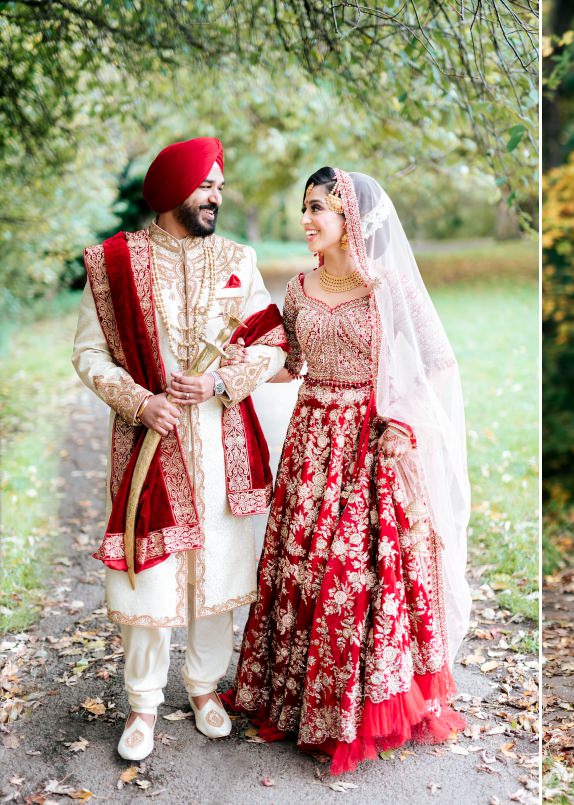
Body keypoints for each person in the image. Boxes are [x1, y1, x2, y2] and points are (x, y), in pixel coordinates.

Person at [227, 168, 471, 774]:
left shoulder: (387, 288)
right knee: (306, 571)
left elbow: (438, 363)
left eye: (317, 209)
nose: (306, 220)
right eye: (304, 208)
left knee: (355, 574)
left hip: (368, 443)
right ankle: (299, 700)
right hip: (310, 444)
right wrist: (245, 355)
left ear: (350, 217)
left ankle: (356, 708)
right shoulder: (300, 287)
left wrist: (406, 426)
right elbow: (291, 364)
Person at [72, 137, 288, 761]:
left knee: (217, 566)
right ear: (172, 193)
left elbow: (272, 344)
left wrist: (223, 380)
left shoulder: (238, 259)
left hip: (219, 443)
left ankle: (202, 688)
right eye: (206, 186)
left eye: (220, 186)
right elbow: (89, 354)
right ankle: (142, 704)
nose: (216, 196)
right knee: (150, 575)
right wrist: (141, 402)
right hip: (148, 444)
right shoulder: (116, 263)